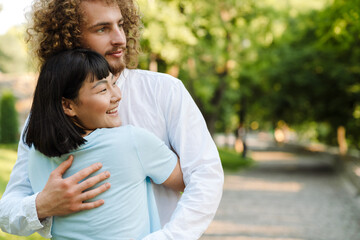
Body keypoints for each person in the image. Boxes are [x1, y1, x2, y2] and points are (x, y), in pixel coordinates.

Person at [0, 0, 224, 239]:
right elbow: (6, 212)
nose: (120, 38)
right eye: (102, 29)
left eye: (120, 24)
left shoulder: (164, 90)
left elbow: (204, 175)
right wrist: (42, 205)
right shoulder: (47, 114)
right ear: (70, 39)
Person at [25, 48, 184, 239]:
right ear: (68, 105)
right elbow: (187, 179)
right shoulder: (132, 142)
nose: (117, 95)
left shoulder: (36, 155)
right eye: (103, 89)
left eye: (114, 83)